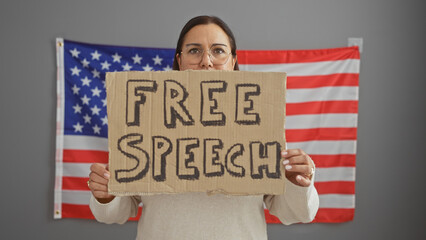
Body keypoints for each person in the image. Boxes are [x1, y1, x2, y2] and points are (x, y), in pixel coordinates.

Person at [88, 15, 319, 240]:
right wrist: (107, 196)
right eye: (194, 50)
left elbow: (295, 213)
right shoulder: (146, 119)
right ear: (179, 60)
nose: (206, 61)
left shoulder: (259, 123)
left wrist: (296, 182)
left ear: (233, 61)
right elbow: (116, 213)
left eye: (218, 51)